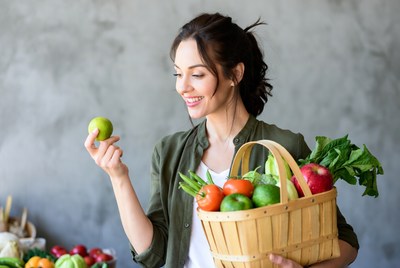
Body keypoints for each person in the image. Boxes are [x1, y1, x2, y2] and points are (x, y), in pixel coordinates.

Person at [84, 12, 359, 268]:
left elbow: (345, 240)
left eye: (197, 74)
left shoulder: (284, 147)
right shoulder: (169, 151)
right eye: (178, 73)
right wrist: (118, 177)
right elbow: (153, 253)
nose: (183, 86)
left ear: (235, 74)